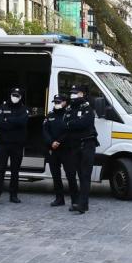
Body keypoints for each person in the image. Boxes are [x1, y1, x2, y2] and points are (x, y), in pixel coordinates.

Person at [60, 86, 98, 214]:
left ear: (82, 94)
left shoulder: (87, 108)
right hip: (74, 145)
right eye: (71, 93)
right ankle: (79, 203)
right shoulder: (70, 108)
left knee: (85, 176)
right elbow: (64, 123)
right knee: (77, 174)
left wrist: (72, 124)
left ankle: (82, 204)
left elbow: (84, 123)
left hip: (87, 144)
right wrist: (73, 124)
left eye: (75, 93)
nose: (72, 96)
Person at [0, 88, 30, 205]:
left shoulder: (24, 109)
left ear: (21, 97)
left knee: (15, 171)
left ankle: (13, 195)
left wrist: (8, 120)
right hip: (3, 144)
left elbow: (23, 122)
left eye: (17, 95)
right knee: (0, 170)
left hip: (17, 145)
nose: (15, 97)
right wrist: (14, 122)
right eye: (13, 95)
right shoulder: (2, 107)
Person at [43, 94, 69, 206]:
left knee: (70, 174)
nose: (57, 104)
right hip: (53, 149)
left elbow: (69, 131)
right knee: (55, 175)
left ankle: (75, 199)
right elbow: (45, 130)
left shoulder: (68, 115)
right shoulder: (50, 115)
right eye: (55, 102)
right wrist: (51, 142)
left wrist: (59, 141)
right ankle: (59, 198)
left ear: (65, 103)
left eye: (59, 102)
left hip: (65, 149)